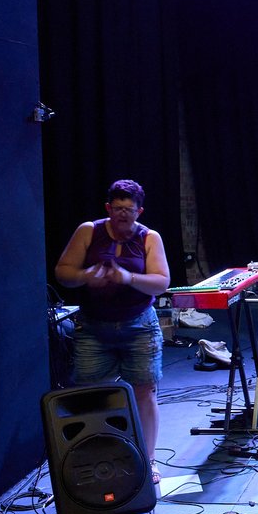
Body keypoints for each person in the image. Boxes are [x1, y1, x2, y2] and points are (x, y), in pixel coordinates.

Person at [54, 179, 170, 483]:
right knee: (93, 394)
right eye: (117, 209)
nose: (122, 215)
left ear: (139, 211)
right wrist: (85, 276)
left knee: (145, 391)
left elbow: (161, 282)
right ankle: (100, 454)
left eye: (129, 210)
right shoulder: (88, 231)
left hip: (138, 325)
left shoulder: (149, 237)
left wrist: (128, 278)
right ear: (108, 208)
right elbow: (63, 273)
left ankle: (148, 460)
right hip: (94, 328)